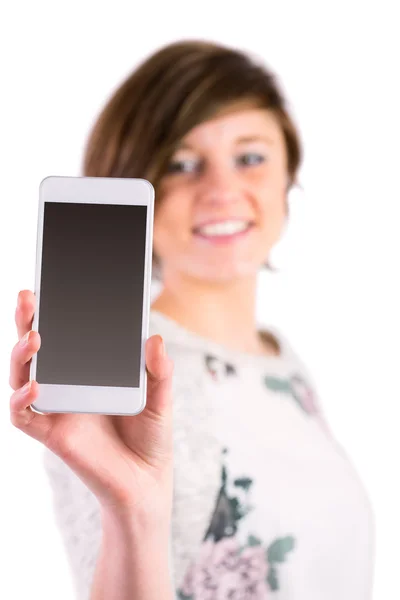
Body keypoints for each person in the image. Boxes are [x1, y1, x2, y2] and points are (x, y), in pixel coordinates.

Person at [9, 40, 375, 600]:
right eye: (182, 164)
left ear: (288, 174)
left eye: (250, 157)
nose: (222, 190)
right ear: (135, 188)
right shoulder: (124, 384)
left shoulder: (284, 363)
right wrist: (133, 509)